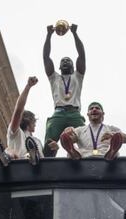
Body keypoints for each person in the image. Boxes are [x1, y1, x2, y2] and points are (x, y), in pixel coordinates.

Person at [42, 23, 86, 157]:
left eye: (68, 60)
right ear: (59, 67)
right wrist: (49, 35)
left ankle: (86, 157)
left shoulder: (78, 76)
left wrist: (74, 33)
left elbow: (82, 55)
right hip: (59, 113)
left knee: (85, 138)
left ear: (73, 66)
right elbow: (46, 57)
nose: (65, 61)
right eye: (63, 61)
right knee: (49, 139)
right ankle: (47, 161)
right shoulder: (54, 77)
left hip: (75, 113)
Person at [0, 76, 42, 166]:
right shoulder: (16, 132)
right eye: (34, 122)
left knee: (10, 150)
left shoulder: (37, 141)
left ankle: (31, 156)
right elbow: (18, 110)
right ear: (29, 121)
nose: (35, 125)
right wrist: (28, 86)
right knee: (9, 150)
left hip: (35, 166)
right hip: (17, 162)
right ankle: (6, 157)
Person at [59, 102, 126, 160]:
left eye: (97, 108)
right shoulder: (80, 129)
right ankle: (73, 153)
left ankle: (111, 152)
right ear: (88, 114)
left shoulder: (110, 128)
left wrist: (113, 135)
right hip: (83, 156)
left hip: (104, 154)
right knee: (73, 149)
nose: (94, 109)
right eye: (91, 108)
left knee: (114, 149)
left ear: (103, 113)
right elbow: (68, 139)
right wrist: (67, 132)